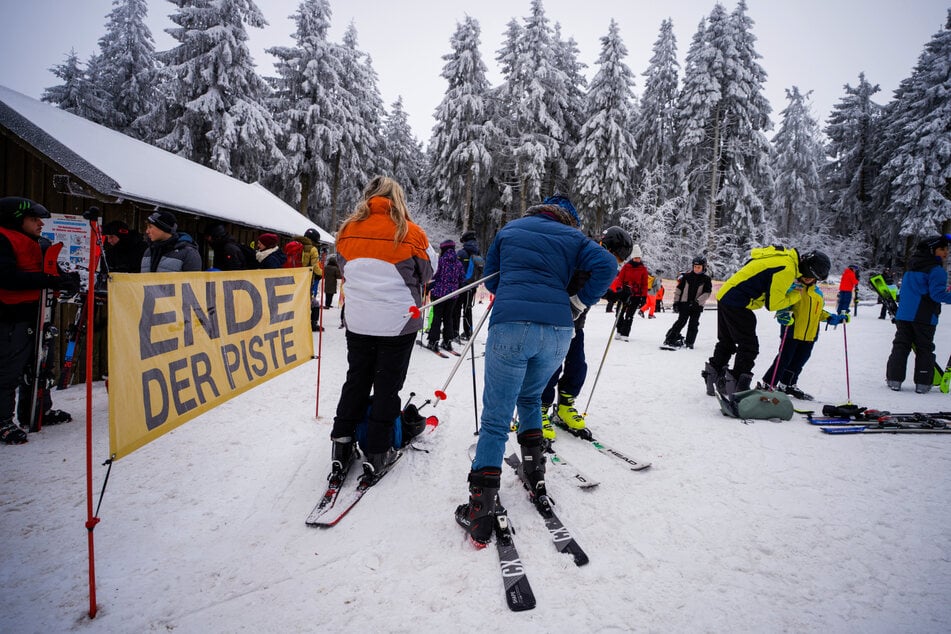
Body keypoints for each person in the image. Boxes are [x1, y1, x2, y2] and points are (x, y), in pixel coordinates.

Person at [454, 197, 616, 547]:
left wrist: (515, 287)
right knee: (530, 398)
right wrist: (577, 301)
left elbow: (492, 279)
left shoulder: (510, 230)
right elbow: (607, 265)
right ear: (567, 219)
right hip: (558, 331)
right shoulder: (574, 238)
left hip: (511, 325)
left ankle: (480, 512)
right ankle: (535, 474)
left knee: (497, 417)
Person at [329, 176, 434, 483]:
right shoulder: (411, 232)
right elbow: (429, 272)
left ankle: (342, 445)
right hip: (397, 322)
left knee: (356, 380)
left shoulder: (347, 229)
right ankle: (377, 451)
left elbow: (345, 265)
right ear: (397, 198)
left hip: (359, 320)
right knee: (387, 386)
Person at [0, 197, 81, 444]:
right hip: (11, 318)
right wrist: (47, 281)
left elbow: (50, 271)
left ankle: (36, 410)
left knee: (40, 365)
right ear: (16, 219)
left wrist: (67, 279)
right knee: (8, 370)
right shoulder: (3, 240)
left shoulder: (38, 243)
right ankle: (2, 421)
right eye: (34, 219)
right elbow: (7, 278)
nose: (40, 224)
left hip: (37, 315)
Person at [702, 247, 831, 399]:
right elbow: (774, 304)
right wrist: (795, 294)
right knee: (749, 347)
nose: (810, 280)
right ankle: (737, 390)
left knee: (727, 341)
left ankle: (713, 379)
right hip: (737, 302)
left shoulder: (784, 259)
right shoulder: (787, 269)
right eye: (812, 276)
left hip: (726, 296)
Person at [542, 225, 633, 442]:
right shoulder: (581, 258)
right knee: (551, 368)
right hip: (556, 323)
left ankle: (565, 406)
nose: (617, 264)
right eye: (617, 258)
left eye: (621, 261)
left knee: (578, 366)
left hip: (577, 325)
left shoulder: (596, 262)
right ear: (606, 248)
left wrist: (615, 296)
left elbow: (593, 287)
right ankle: (539, 409)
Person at [885, 234, 951, 394]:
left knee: (901, 346)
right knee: (924, 348)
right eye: (942, 249)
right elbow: (937, 294)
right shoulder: (936, 270)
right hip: (924, 316)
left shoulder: (911, 267)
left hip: (904, 315)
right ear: (932, 250)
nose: (946, 252)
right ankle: (922, 383)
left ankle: (894, 380)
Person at [760, 281, 849, 399]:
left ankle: (787, 384)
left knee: (799, 362)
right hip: (792, 331)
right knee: (783, 359)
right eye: (805, 275)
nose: (808, 278)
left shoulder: (817, 293)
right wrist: (782, 315)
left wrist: (832, 318)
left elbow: (818, 312)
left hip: (810, 334)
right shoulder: (793, 288)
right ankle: (768, 383)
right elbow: (783, 307)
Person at [664, 255, 713, 349]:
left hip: (697, 306)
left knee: (693, 324)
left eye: (699, 267)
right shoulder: (686, 277)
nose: (696, 269)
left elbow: (707, 293)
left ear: (704, 267)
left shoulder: (706, 279)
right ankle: (670, 339)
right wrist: (676, 302)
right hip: (684, 304)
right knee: (681, 322)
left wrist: (698, 302)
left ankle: (690, 342)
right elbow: (678, 290)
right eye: (695, 267)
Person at [426, 239, 466, 354]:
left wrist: (429, 287)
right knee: (449, 318)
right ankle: (447, 341)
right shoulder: (458, 263)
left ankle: (433, 341)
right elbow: (462, 279)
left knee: (437, 317)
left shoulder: (440, 262)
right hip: (453, 295)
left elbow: (434, 276)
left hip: (439, 294)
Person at [609, 244, 649, 342]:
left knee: (630, 315)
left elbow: (645, 284)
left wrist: (644, 296)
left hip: (636, 295)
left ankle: (625, 333)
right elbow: (620, 279)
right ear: (632, 257)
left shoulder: (643, 269)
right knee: (619, 312)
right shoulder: (626, 267)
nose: (637, 259)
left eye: (639, 258)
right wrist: (619, 288)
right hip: (625, 293)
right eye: (635, 257)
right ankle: (619, 330)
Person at [452, 230, 484, 342]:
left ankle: (454, 332)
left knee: (456, 309)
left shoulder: (462, 253)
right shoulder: (478, 253)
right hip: (472, 285)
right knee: (468, 309)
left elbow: (455, 269)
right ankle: (468, 332)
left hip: (461, 286)